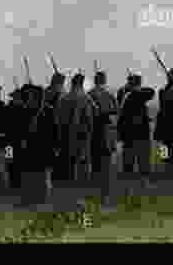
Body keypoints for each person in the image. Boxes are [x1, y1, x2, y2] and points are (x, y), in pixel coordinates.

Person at [117, 74, 155, 188]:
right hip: (140, 133)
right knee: (143, 159)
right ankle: (143, 182)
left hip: (129, 133)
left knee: (129, 160)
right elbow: (151, 92)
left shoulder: (126, 95)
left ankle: (128, 183)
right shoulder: (136, 94)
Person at [88, 71, 119, 208]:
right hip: (107, 136)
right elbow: (116, 114)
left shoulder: (90, 95)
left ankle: (95, 194)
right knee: (106, 169)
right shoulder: (110, 94)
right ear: (104, 80)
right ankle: (105, 197)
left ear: (95, 80)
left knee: (95, 167)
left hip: (94, 135)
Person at [58, 73, 95, 182]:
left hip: (66, 132)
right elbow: (90, 117)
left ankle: (69, 179)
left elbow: (58, 118)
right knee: (83, 159)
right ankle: (82, 181)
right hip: (82, 132)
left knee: (69, 158)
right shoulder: (86, 98)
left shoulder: (64, 98)